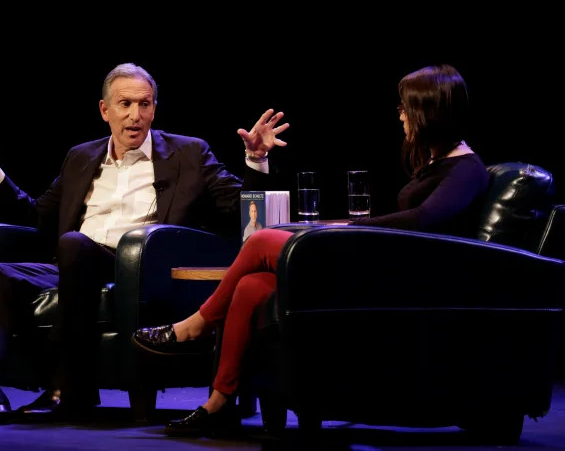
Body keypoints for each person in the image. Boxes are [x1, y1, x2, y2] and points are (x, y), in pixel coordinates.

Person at [132, 64, 490, 437]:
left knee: (261, 240)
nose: (400, 114)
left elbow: (423, 220)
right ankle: (219, 402)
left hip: (401, 283)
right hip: (384, 266)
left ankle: (196, 325)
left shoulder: (467, 169)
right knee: (250, 287)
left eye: (406, 107)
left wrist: (352, 228)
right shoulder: (437, 163)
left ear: (429, 111)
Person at [0, 62, 290, 423]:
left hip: (140, 268)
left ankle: (68, 390)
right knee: (1, 274)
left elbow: (238, 208)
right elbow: (39, 218)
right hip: (75, 264)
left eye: (144, 104)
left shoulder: (189, 153)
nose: (135, 116)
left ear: (154, 109)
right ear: (105, 110)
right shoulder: (81, 157)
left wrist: (256, 160)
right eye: (125, 104)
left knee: (72, 244)